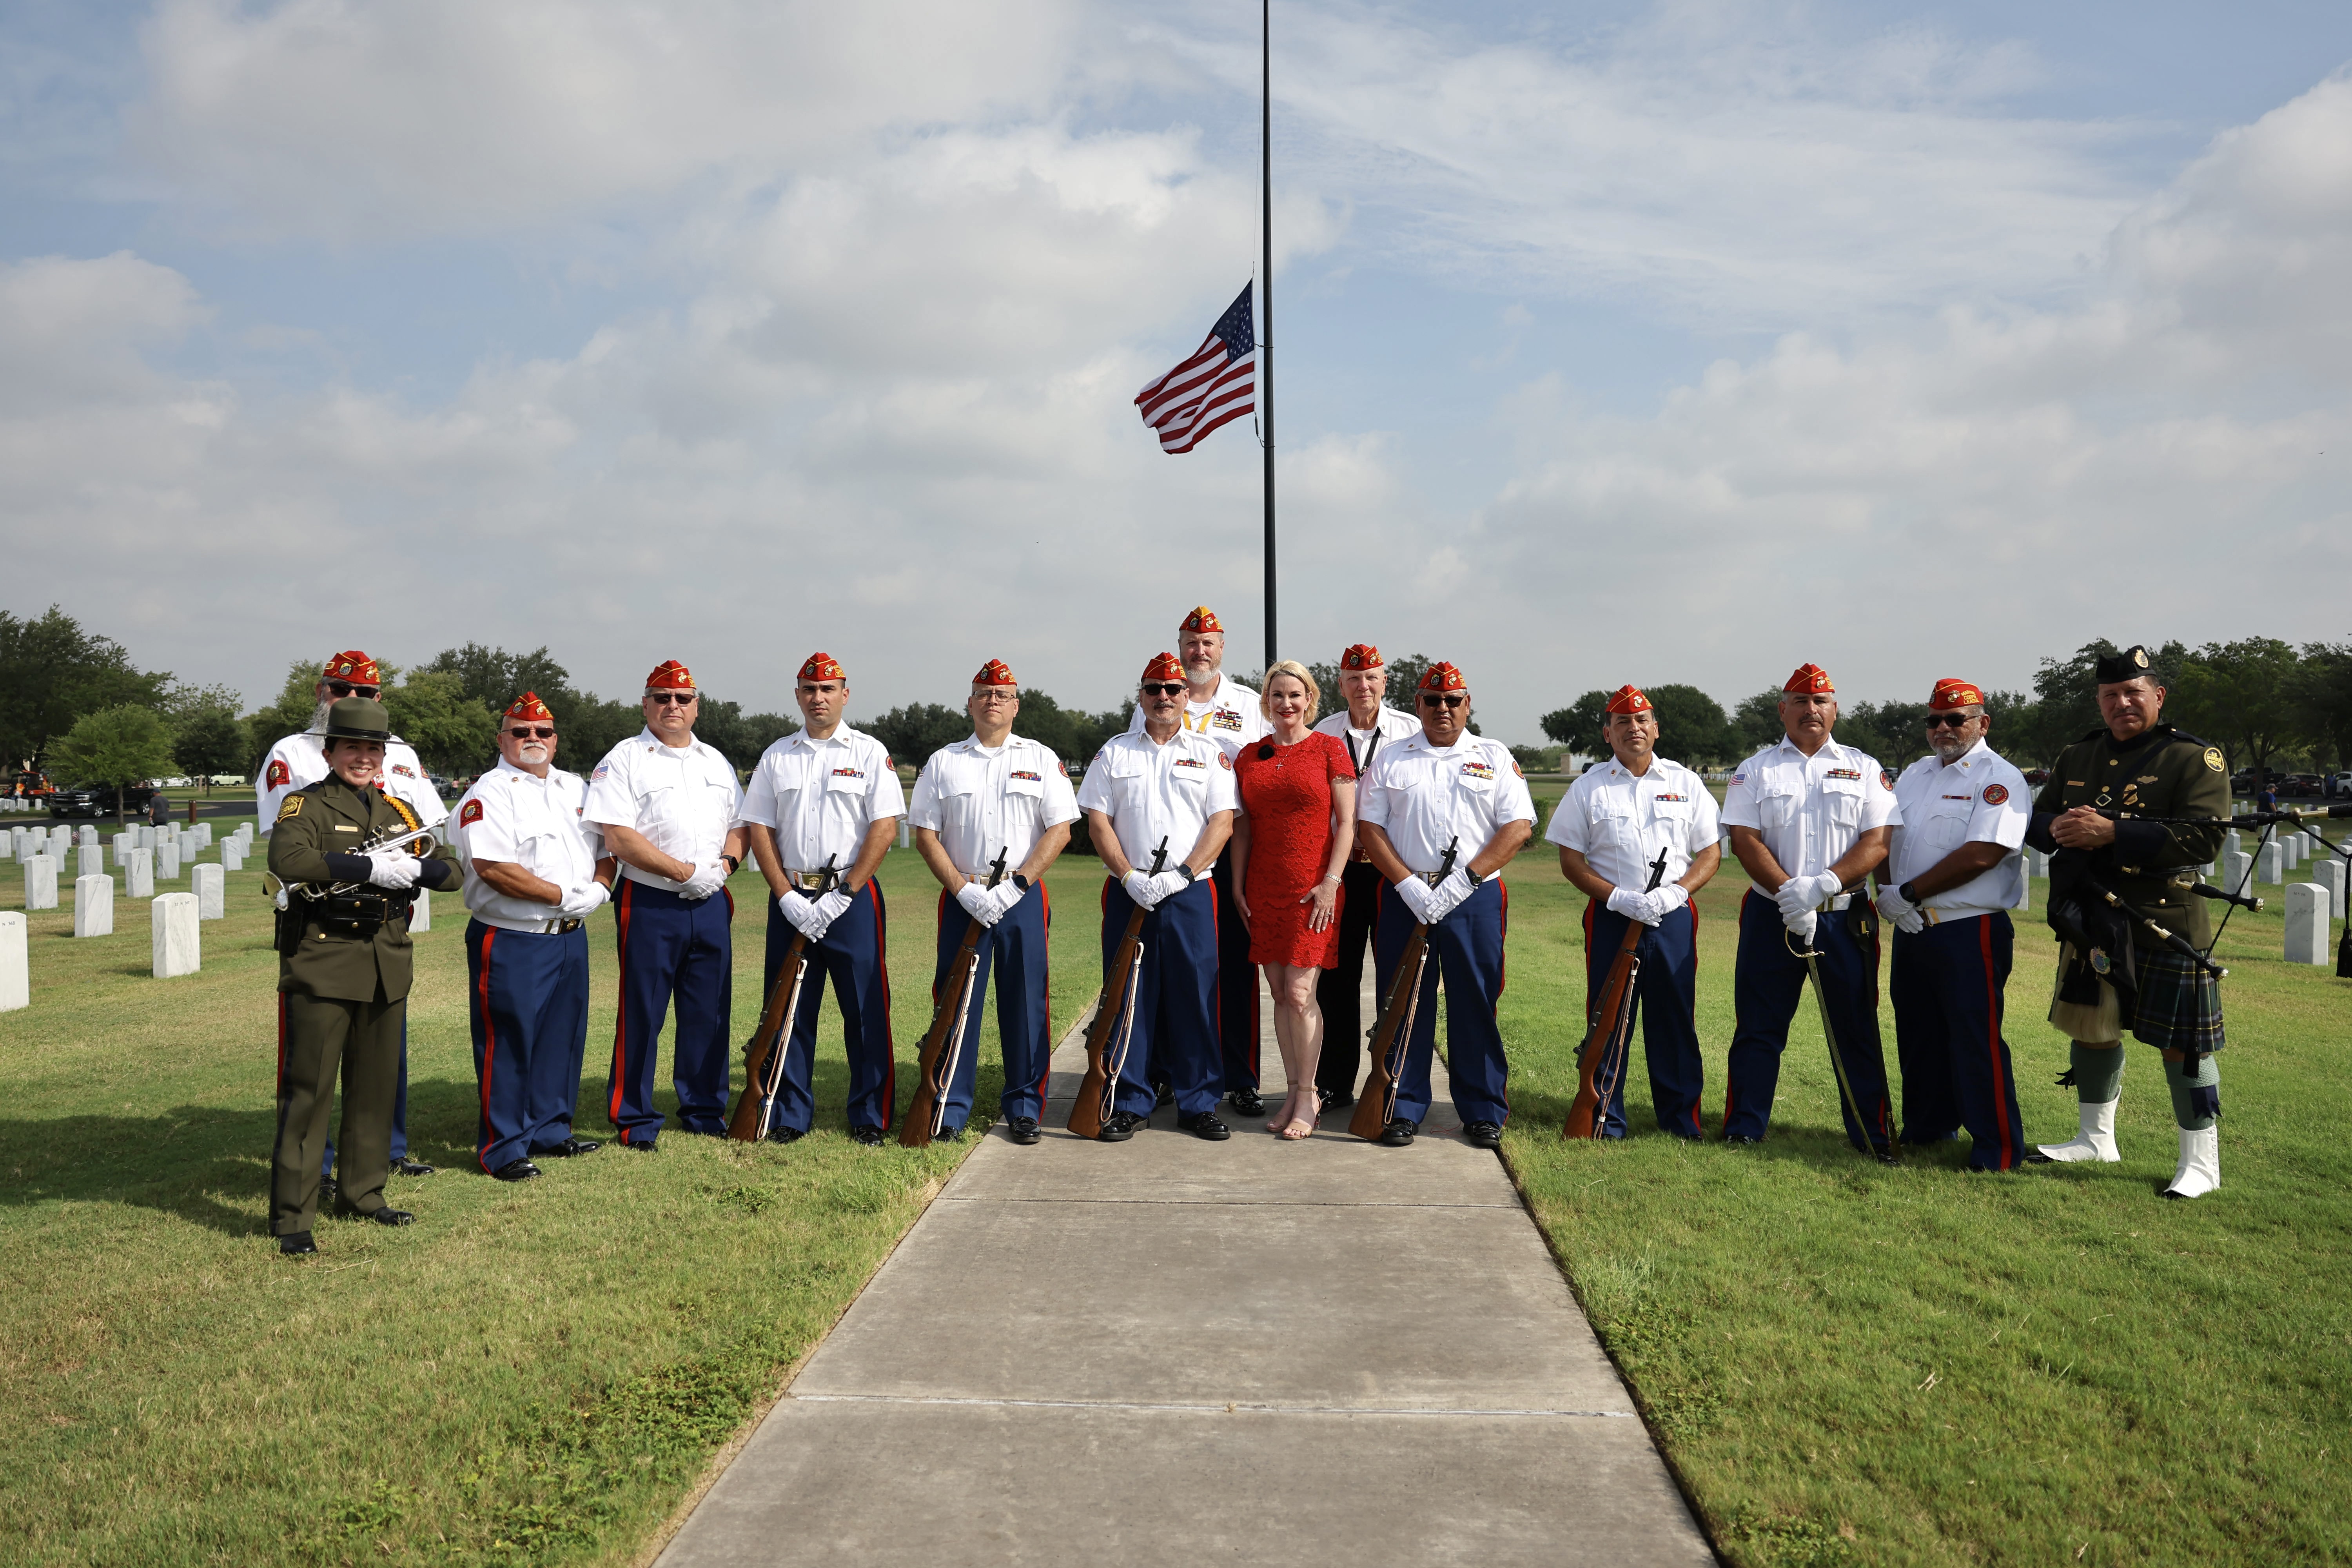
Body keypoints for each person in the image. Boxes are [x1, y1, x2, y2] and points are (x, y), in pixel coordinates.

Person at [2022, 644, 2230, 1199]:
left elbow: (2206, 838)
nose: (2122, 703)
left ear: (2157, 696)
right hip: (2091, 916)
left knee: (2183, 1044)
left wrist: (2112, 832)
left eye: (2133, 693)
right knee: (2092, 1031)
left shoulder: (2193, 759)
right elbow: (2037, 818)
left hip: (2164, 918)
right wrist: (2061, 827)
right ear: (2099, 702)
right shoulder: (2079, 755)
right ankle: (2096, 1139)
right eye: (2111, 695)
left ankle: (2201, 1164)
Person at [266, 697, 462, 1255]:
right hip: (324, 962)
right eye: (352, 747)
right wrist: (368, 866)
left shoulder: (398, 812)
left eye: (373, 749)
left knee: (375, 1091)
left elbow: (450, 871)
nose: (363, 758)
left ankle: (363, 1193)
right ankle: (293, 1217)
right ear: (330, 752)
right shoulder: (305, 805)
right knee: (310, 1094)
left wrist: (414, 869)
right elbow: (290, 861)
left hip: (386, 962)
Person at [1719, 663, 1901, 1158]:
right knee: (1759, 1025)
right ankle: (1744, 1127)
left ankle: (1872, 1134)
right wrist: (1789, 893)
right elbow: (1744, 839)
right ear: (1783, 709)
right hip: (1771, 914)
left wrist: (1823, 885)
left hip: (1846, 917)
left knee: (1856, 1027)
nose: (1811, 710)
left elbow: (1878, 841)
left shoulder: (1865, 768)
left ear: (1835, 709)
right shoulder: (1754, 769)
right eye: (1800, 702)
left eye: (1821, 702)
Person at [1355, 661, 1535, 1150]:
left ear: (1468, 705)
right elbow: (1369, 827)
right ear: (1417, 705)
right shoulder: (1391, 759)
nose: (1442, 709)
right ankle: (1402, 1106)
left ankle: (1480, 1111)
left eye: (1453, 700)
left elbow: (1518, 827)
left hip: (1474, 898)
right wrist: (1409, 883)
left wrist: (1466, 880)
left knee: (1474, 1001)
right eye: (1432, 701)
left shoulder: (1494, 756)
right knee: (1404, 1002)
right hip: (1405, 895)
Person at [906, 659, 1078, 1143]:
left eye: (1003, 694)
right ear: (970, 702)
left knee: (1027, 1001)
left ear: (1016, 704)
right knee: (957, 999)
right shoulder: (944, 762)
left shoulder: (1042, 758)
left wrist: (1016, 886)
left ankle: (1024, 1105)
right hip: (963, 895)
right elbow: (925, 835)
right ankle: (950, 1103)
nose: (993, 700)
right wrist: (963, 889)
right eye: (984, 692)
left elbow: (1060, 830)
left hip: (1021, 897)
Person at [739, 653, 907, 1145]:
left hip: (850, 899)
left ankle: (869, 1115)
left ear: (845, 694)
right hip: (791, 895)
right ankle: (790, 1111)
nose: (819, 698)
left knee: (864, 1008)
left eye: (828, 689)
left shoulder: (870, 752)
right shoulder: (777, 756)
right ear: (798, 695)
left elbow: (885, 826)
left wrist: (848, 890)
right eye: (810, 690)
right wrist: (784, 894)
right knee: (789, 1004)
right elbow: (759, 828)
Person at [450, 693, 616, 1181]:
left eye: (542, 732)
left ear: (555, 739)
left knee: (561, 1038)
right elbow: (494, 867)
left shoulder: (574, 787)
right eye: (520, 732)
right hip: (513, 936)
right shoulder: (490, 791)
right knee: (509, 1042)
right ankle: (502, 1148)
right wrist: (564, 896)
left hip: (570, 935)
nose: (532, 740)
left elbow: (608, 845)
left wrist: (602, 889)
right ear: (502, 739)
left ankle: (549, 1129)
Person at [1544, 684, 1721, 1140]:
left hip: (1672, 916)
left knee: (1675, 1017)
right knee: (1609, 1015)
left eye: (1642, 721)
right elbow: (1570, 860)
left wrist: (1677, 893)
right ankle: (1604, 1116)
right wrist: (1616, 897)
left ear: (1655, 729)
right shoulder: (1588, 788)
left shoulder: (1686, 783)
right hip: (1612, 916)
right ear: (1608, 734)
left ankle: (1681, 1121)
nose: (1634, 729)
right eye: (1623, 723)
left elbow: (1709, 853)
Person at [582, 660, 747, 1149]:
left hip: (712, 899)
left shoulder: (715, 762)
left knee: (710, 1011)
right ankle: (634, 1116)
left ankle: (703, 1108)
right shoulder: (624, 759)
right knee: (643, 1011)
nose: (672, 706)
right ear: (645, 704)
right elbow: (618, 836)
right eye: (661, 697)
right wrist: (683, 872)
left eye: (682, 698)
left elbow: (742, 824)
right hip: (651, 901)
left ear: (697, 706)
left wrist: (725, 866)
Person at [1076, 652, 1240, 1141]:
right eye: (1154, 689)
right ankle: (1130, 1099)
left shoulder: (1211, 753)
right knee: (1130, 996)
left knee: (1195, 995)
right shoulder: (1115, 752)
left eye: (1172, 689)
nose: (1164, 697)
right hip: (1130, 890)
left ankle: (1199, 1102)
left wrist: (1184, 873)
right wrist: (1127, 875)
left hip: (1190, 891)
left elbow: (1223, 822)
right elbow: (1098, 820)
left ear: (1187, 696)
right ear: (1141, 696)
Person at [1875, 679, 2031, 1171]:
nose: (1943, 728)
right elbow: (1886, 836)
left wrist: (1907, 892)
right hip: (1912, 924)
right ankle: (1928, 1126)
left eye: (1956, 719)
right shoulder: (1917, 775)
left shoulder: (1998, 777)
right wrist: (1888, 892)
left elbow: (1984, 852)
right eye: (1934, 720)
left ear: (1982, 723)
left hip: (1969, 928)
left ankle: (1998, 1147)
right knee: (1918, 1030)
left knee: (1974, 1037)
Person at [1128, 606, 1270, 1115]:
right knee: (1170, 971)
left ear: (1222, 647)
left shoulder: (1249, 705)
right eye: (1191, 642)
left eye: (1208, 642)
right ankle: (1168, 1073)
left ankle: (1240, 1076)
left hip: (1233, 852)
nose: (1199, 651)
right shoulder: (1160, 696)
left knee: (1233, 968)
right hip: (1166, 859)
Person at [1230, 661, 1357, 1139]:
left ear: (1310, 700)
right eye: (1277, 695)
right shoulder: (1250, 756)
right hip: (1264, 889)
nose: (1286, 703)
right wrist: (1239, 887)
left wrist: (1331, 881)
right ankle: (1291, 1092)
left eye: (1295, 695)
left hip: (1314, 890)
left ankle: (1310, 1094)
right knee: (1280, 994)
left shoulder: (1330, 750)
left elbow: (1347, 824)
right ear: (1266, 701)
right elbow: (1242, 828)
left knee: (1303, 993)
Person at [1310, 644, 1422, 1109]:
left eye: (1372, 678)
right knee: (1337, 981)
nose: (1364, 687)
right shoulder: (1324, 731)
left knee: (1396, 978)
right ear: (1341, 685)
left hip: (1391, 871)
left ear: (1385, 682)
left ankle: (1394, 1077)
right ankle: (1335, 1082)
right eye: (1354, 680)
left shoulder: (1411, 730)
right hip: (1342, 873)